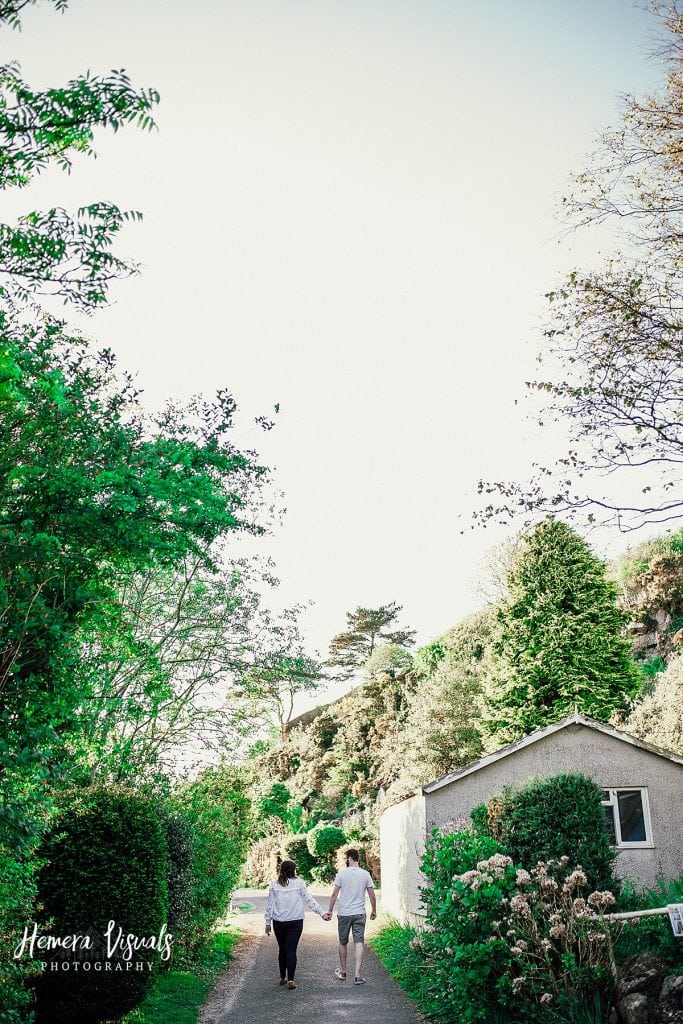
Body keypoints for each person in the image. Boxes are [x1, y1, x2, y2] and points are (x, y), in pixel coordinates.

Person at [264, 859, 326, 989]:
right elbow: (309, 900)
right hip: (296, 921)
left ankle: (282, 977)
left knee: (282, 949)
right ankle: (291, 980)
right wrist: (322, 913)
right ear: (294, 870)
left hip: (279, 921)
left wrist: (267, 922)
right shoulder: (299, 883)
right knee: (291, 949)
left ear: (281, 870)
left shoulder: (274, 885)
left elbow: (270, 905)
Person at [325, 847, 376, 986]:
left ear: (349, 859)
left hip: (344, 914)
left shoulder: (341, 874)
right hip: (359, 913)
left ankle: (343, 972)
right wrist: (374, 910)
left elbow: (334, 894)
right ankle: (358, 976)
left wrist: (329, 910)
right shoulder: (365, 874)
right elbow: (372, 894)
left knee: (343, 942)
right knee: (359, 941)